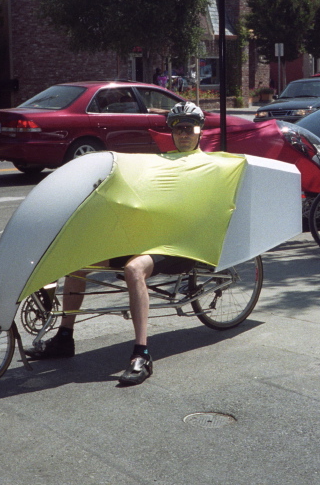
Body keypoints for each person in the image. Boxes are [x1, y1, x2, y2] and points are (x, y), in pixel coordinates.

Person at [25, 101, 206, 385]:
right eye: (178, 128)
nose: (184, 134)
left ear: (200, 132)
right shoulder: (162, 161)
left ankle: (141, 354)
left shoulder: (207, 166)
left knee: (134, 270)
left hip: (180, 244)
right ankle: (64, 337)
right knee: (77, 263)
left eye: (190, 128)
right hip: (147, 238)